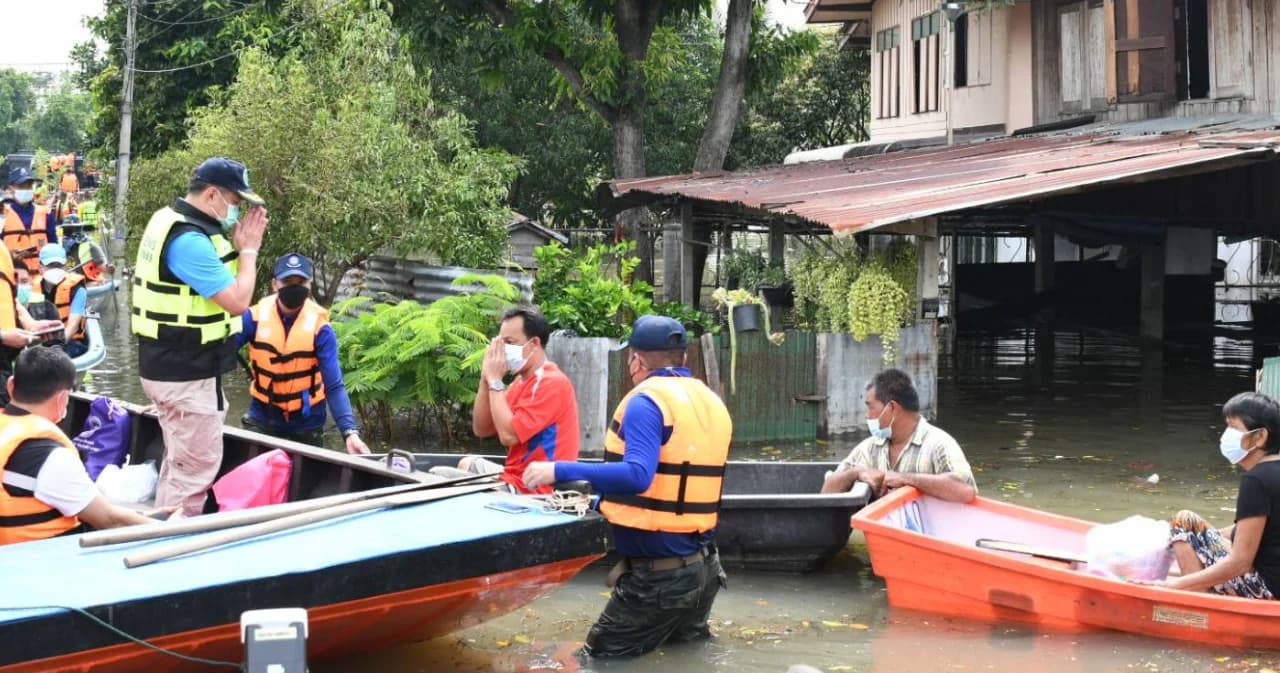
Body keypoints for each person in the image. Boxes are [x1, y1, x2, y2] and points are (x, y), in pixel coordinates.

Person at [523, 315, 731, 658]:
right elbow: (667, 479)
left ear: (637, 360)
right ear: (683, 357)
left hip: (661, 579)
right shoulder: (710, 401)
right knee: (686, 658)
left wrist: (556, 470)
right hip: (704, 569)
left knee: (599, 661)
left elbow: (637, 475)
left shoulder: (646, 402)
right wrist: (595, 500)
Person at [132, 157, 268, 516]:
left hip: (171, 367)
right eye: (235, 202)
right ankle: (173, 541)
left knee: (180, 463)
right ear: (211, 195)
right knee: (194, 471)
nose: (236, 213)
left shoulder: (168, 220)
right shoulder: (190, 241)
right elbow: (238, 302)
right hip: (185, 374)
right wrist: (249, 251)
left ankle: (159, 526)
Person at [0, 348, 161, 545]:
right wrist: (171, 528)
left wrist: (151, 516)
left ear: (10, 386)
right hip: (38, 556)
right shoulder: (50, 455)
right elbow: (110, 521)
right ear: (62, 398)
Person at [1137, 392, 1280, 599]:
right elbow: (1262, 527)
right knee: (1193, 531)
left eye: (1234, 427)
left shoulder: (1256, 480)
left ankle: (1195, 601)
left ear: (1260, 436)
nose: (1227, 434)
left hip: (1267, 589)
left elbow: (1240, 562)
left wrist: (1173, 585)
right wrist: (1208, 535)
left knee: (1183, 521)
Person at [436, 306, 580, 493]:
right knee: (466, 463)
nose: (503, 350)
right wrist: (485, 379)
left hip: (535, 489)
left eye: (509, 342)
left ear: (534, 344)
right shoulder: (520, 382)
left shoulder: (551, 383)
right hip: (513, 475)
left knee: (438, 474)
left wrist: (496, 380)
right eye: (501, 343)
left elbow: (508, 436)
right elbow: (482, 429)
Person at [237, 253, 369, 454]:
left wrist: (349, 432)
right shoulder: (253, 318)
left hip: (307, 421)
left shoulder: (320, 328)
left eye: (300, 282)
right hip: (263, 416)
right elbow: (220, 354)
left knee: (303, 472)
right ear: (274, 284)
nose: (294, 287)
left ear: (309, 285)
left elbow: (334, 385)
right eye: (287, 281)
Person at [821, 368, 977, 503]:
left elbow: (966, 491)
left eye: (871, 407)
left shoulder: (939, 444)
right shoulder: (870, 447)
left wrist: (904, 479)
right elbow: (827, 492)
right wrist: (856, 473)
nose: (867, 415)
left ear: (891, 408)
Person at [34, 245, 88, 358]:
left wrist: (57, 347)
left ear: (65, 267)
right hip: (40, 342)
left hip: (70, 342)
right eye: (50, 265)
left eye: (59, 266)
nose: (55, 269)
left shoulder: (77, 289)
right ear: (40, 268)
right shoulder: (32, 288)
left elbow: (73, 326)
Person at [3, 168, 57, 275]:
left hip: (41, 278)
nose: (26, 189)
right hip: (12, 277)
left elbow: (54, 247)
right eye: (21, 186)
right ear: (10, 189)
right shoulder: (3, 215)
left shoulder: (46, 213)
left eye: (29, 186)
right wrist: (8, 255)